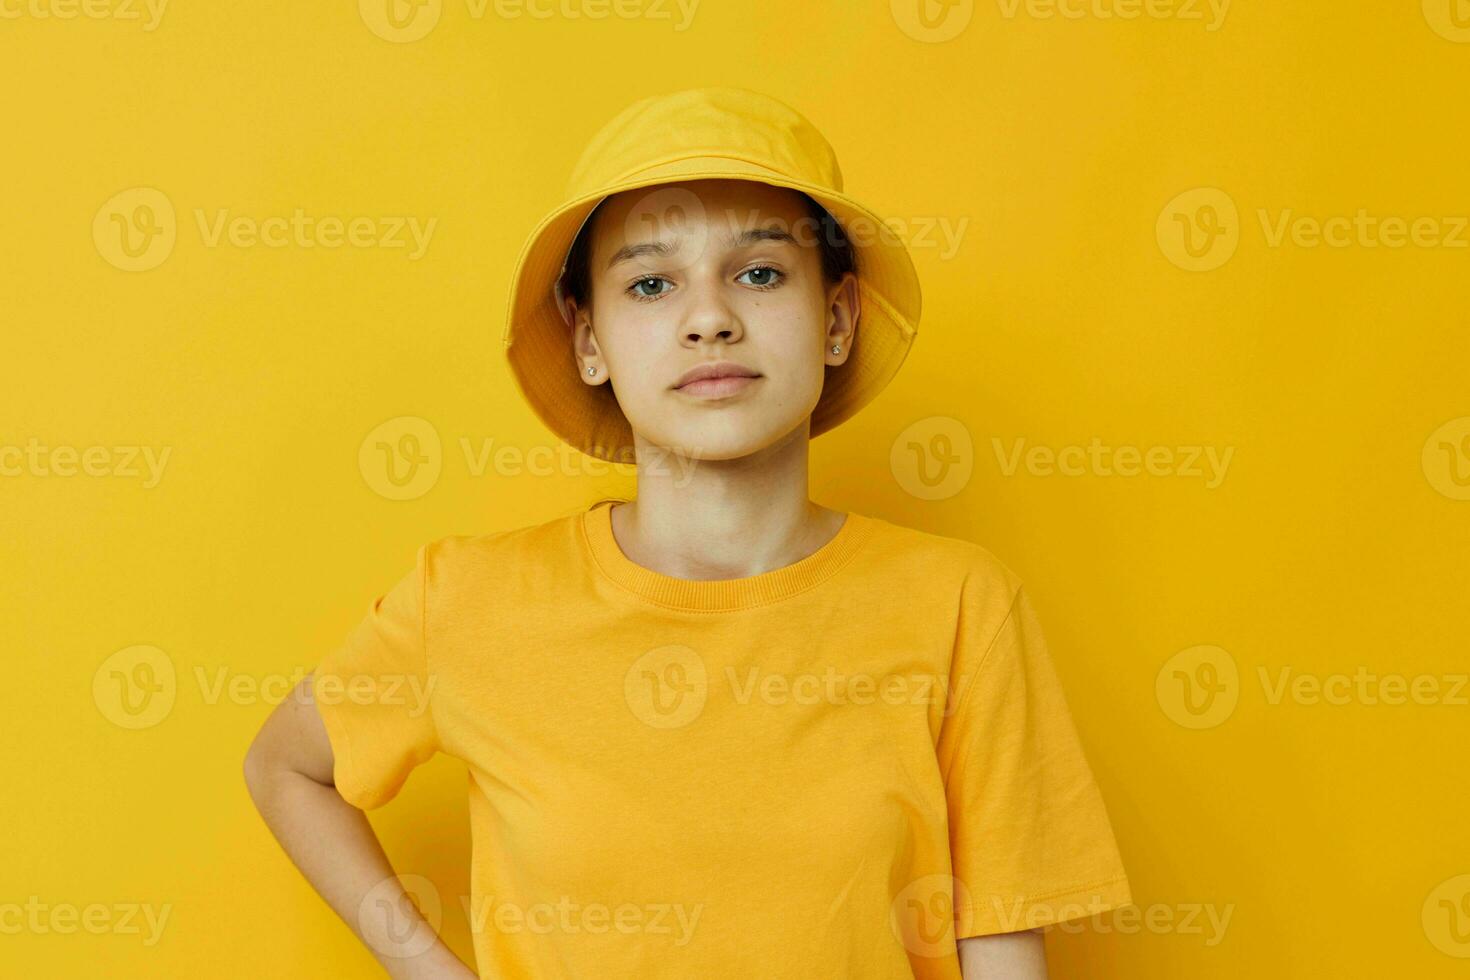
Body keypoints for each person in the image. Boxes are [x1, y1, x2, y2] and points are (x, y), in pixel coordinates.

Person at [243, 86, 1130, 980]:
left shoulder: (958, 606)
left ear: (836, 319)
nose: (709, 319)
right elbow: (285, 766)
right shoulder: (469, 600)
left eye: (759, 272)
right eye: (652, 283)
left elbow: (1005, 944)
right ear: (589, 342)